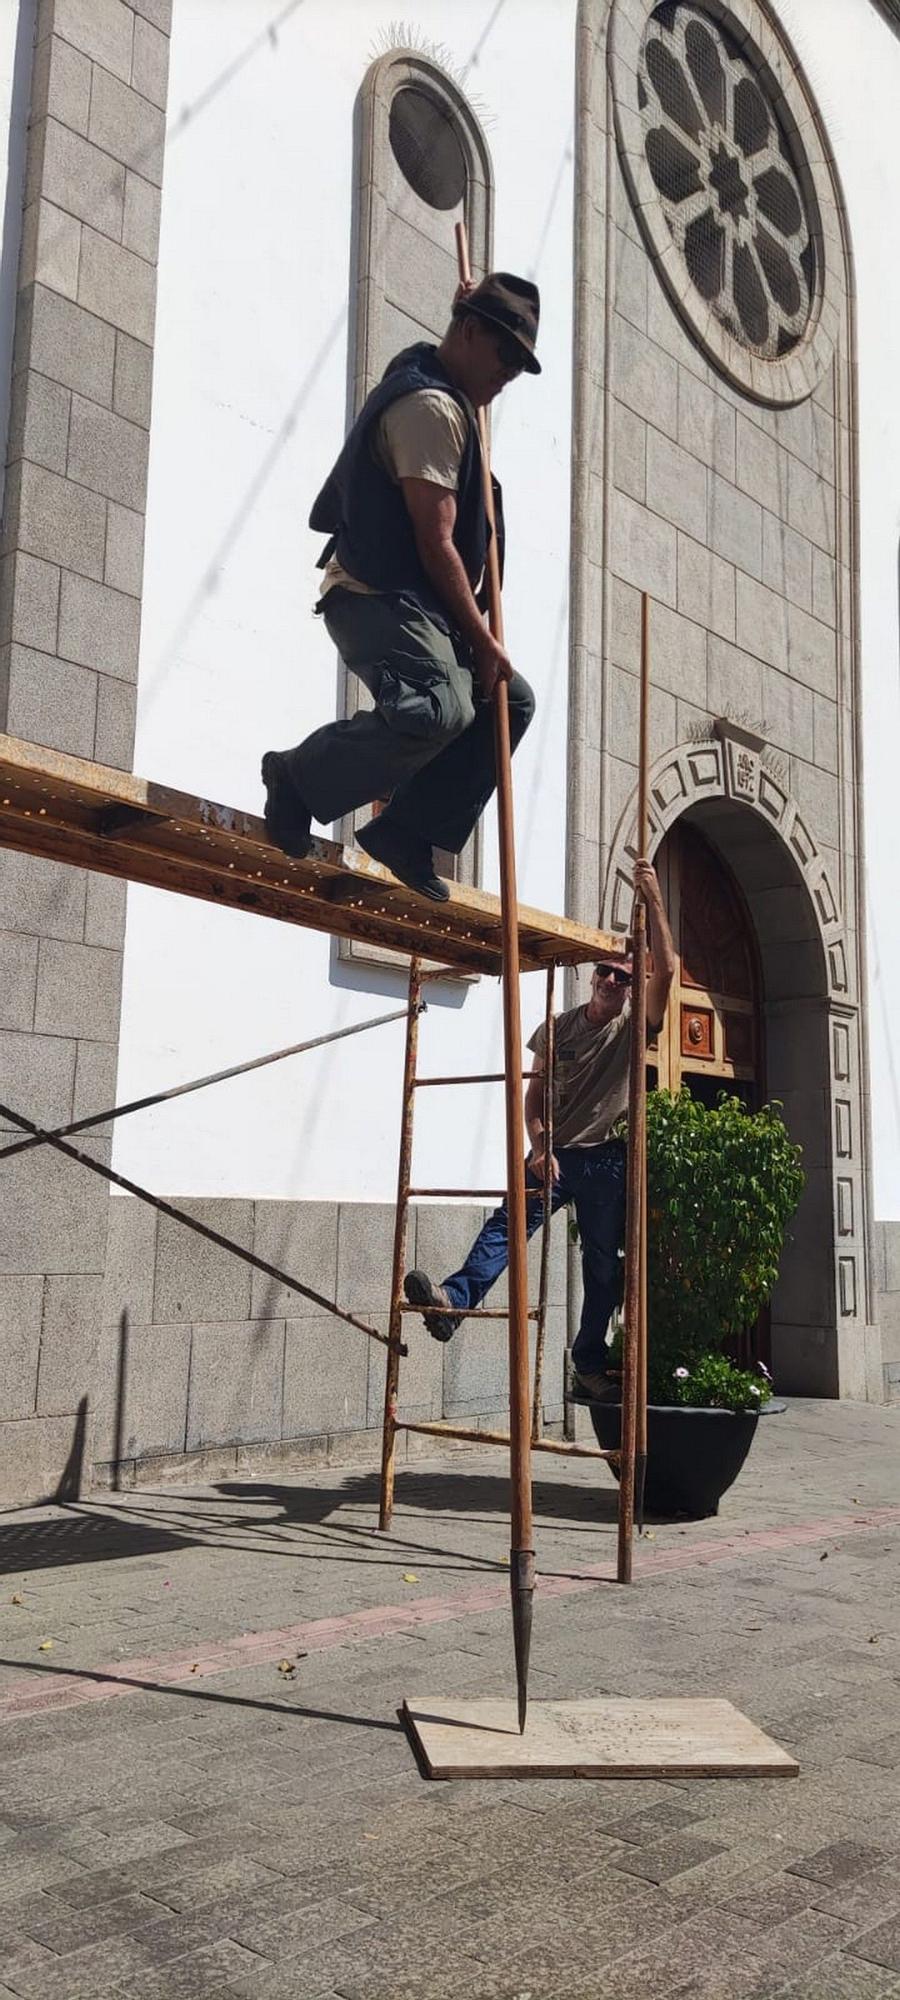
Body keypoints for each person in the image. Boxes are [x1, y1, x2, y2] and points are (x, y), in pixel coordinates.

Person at [261, 273, 541, 903]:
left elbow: (438, 350)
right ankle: (297, 778)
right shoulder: (431, 408)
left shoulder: (435, 374)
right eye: (506, 356)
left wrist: (464, 302)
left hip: (418, 605)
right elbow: (435, 545)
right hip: (371, 596)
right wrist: (484, 642)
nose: (509, 376)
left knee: (510, 703)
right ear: (469, 334)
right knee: (442, 707)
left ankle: (406, 831)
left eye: (521, 366)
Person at [405, 859, 675, 1394]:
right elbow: (533, 1095)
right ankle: (453, 1304)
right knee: (504, 1228)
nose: (612, 982)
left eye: (623, 977)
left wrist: (656, 900)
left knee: (602, 1267)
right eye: (605, 972)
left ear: (629, 989)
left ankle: (589, 1361)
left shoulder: (631, 1030)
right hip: (554, 1154)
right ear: (592, 976)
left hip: (604, 1159)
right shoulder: (557, 1028)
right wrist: (537, 1144)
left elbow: (665, 969)